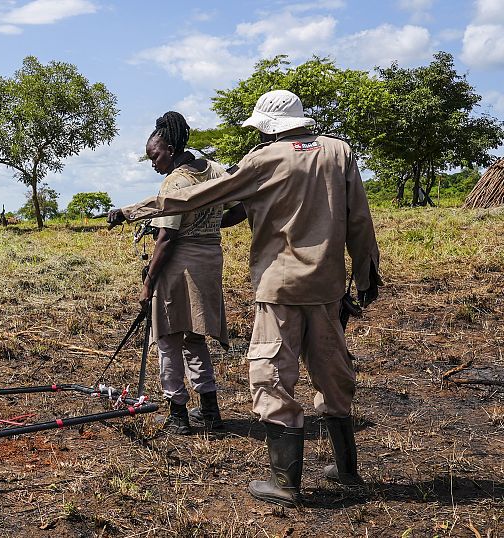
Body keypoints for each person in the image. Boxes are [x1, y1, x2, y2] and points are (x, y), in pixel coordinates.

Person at [108, 90, 381, 508]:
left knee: (271, 376)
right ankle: (346, 471)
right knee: (332, 372)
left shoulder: (263, 159)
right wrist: (365, 277)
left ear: (267, 126)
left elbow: (197, 198)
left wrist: (132, 210)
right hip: (328, 288)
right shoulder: (338, 152)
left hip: (279, 288)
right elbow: (359, 219)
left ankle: (285, 482)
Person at [120, 112, 242, 434]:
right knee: (194, 337)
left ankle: (178, 414)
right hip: (210, 262)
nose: (153, 163)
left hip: (178, 266)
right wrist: (211, 227)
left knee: (167, 337)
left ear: (170, 149)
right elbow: (241, 208)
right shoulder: (216, 170)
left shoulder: (175, 181)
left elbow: (166, 238)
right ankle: (211, 411)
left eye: (155, 156)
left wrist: (148, 284)